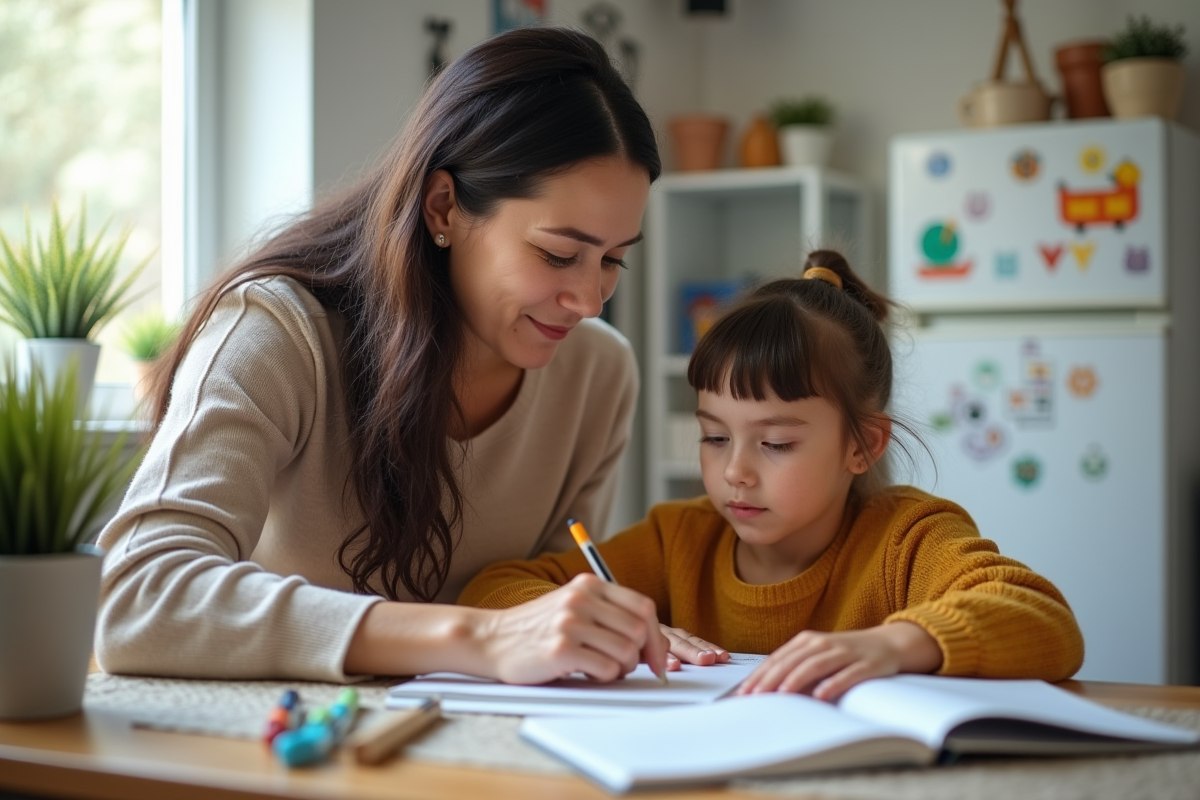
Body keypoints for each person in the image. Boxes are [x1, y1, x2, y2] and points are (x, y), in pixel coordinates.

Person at [96, 26, 669, 685]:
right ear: (444, 207)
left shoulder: (598, 375)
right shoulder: (280, 334)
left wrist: (595, 629)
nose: (590, 300)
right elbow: (135, 596)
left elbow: (540, 610)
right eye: (559, 255)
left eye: (614, 260)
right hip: (281, 751)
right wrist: (473, 635)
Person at [459, 249, 1085, 701]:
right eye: (713, 436)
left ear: (862, 444)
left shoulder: (907, 539)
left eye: (777, 443)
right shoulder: (678, 537)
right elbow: (494, 590)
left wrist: (896, 645)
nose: (735, 471)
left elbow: (1045, 621)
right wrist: (596, 616)